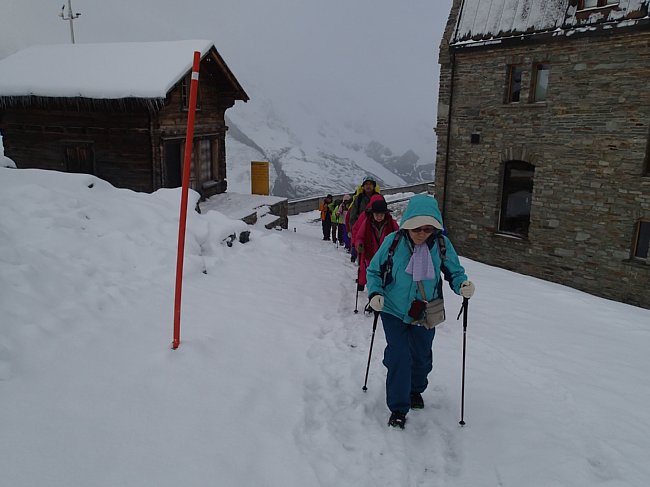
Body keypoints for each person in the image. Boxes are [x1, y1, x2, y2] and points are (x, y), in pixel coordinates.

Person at [365, 194, 475, 429]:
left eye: (428, 229)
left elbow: (454, 272)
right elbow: (374, 271)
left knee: (421, 357)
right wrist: (374, 293)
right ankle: (398, 407)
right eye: (416, 228)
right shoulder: (393, 242)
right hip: (393, 309)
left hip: (425, 311)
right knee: (400, 355)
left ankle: (415, 389)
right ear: (407, 224)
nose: (422, 234)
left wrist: (462, 285)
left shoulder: (441, 244)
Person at [352, 196, 399, 288]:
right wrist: (359, 244)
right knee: (372, 275)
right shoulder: (367, 223)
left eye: (381, 214)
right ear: (372, 213)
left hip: (387, 256)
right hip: (371, 255)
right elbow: (360, 237)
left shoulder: (391, 223)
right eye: (377, 214)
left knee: (385, 276)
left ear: (385, 214)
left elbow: (398, 236)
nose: (379, 217)